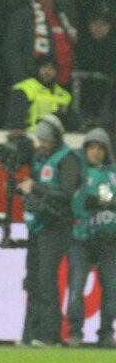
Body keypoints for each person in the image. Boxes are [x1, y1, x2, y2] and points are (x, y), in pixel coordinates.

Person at [16, 114, 81, 347]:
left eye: (44, 139)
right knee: (33, 278)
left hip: (57, 224)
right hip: (38, 223)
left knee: (46, 278)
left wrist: (34, 187)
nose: (40, 144)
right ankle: (31, 332)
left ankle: (49, 334)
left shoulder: (68, 159)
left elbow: (66, 193)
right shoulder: (42, 157)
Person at [68, 128, 116, 348]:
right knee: (76, 289)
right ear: (85, 149)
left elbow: (106, 201)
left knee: (112, 291)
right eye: (92, 147)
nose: (96, 152)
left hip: (109, 241)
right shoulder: (77, 171)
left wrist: (100, 201)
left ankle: (106, 334)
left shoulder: (112, 173)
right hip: (81, 240)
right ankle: (75, 334)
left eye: (100, 148)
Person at [5, 56, 74, 132]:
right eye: (44, 67)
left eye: (52, 68)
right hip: (32, 138)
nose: (47, 71)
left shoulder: (65, 95)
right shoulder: (24, 89)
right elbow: (14, 122)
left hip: (58, 140)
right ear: (37, 68)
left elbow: (72, 123)